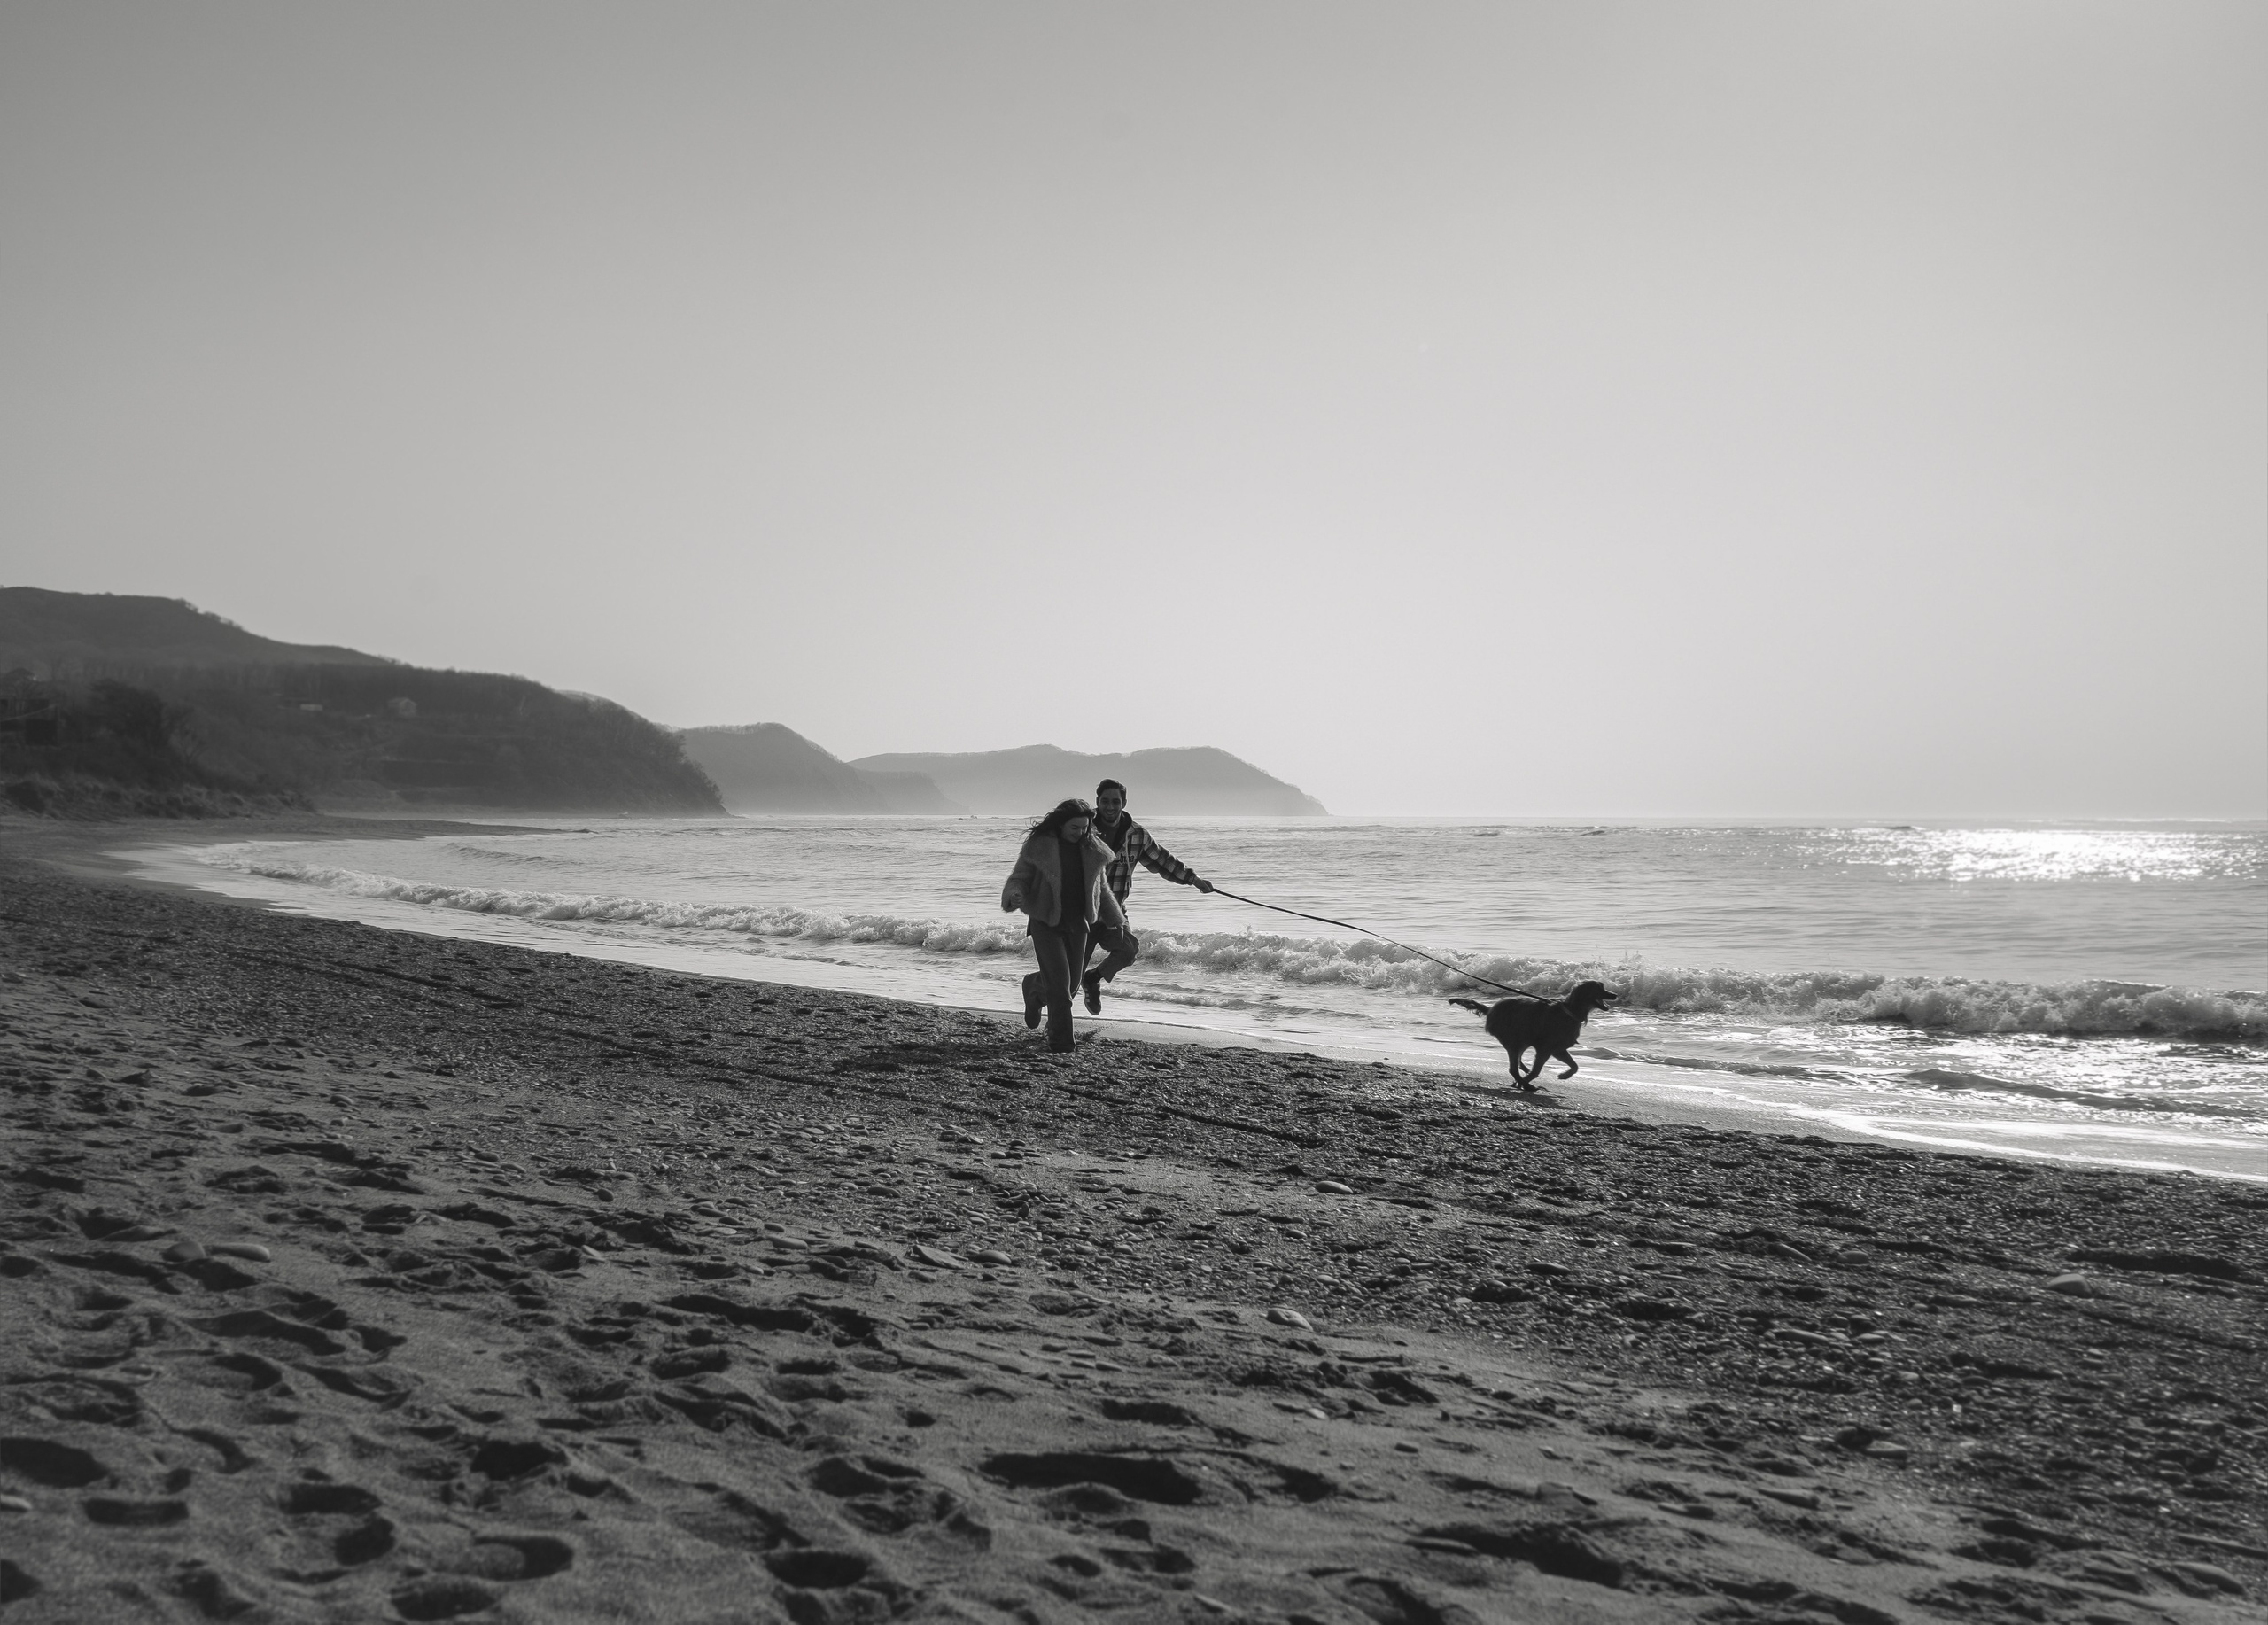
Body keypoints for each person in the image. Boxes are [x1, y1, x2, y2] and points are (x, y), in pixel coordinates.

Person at [1000, 798, 1126, 1053]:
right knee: (1059, 988)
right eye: (1074, 828)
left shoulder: (1093, 850)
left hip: (1078, 923)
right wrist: (1014, 895)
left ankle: (1034, 988)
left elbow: (1101, 889)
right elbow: (1019, 878)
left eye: (1084, 828)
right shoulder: (1039, 847)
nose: (1080, 833)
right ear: (1060, 825)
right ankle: (1062, 1043)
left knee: (1070, 985)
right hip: (1045, 922)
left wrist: (1115, 921)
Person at [1079, 777, 1215, 1015]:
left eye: (1115, 802)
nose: (1110, 807)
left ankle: (1093, 978)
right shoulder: (1083, 830)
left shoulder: (1137, 835)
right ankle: (1038, 993)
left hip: (1114, 913)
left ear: (1124, 803)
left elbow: (1162, 861)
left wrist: (1194, 880)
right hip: (1082, 914)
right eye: (1105, 801)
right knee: (1068, 981)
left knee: (1128, 951)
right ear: (1097, 802)